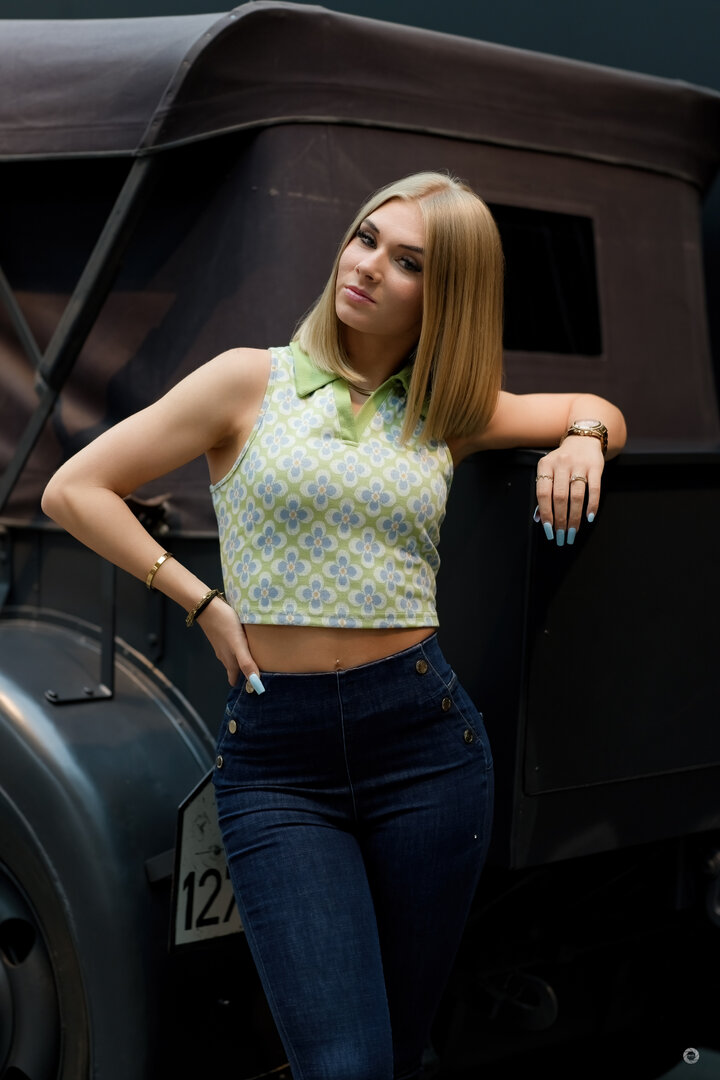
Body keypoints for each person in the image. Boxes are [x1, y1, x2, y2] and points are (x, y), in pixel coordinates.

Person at [42, 171, 627, 1080]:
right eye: (365, 238)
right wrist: (203, 601)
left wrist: (583, 442)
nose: (368, 266)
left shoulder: (445, 410)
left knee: (397, 1051)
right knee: (345, 1065)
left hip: (426, 748)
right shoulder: (250, 379)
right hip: (281, 765)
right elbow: (74, 488)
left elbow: (599, 411)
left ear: (447, 295)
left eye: (409, 263)